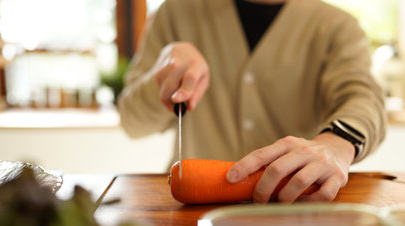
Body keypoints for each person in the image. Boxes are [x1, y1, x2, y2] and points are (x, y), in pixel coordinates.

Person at [117, 0, 386, 204]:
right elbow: (132, 122)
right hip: (190, 213)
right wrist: (162, 77)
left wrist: (337, 143)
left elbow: (363, 97)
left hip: (294, 213)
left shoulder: (337, 26)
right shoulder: (176, 12)